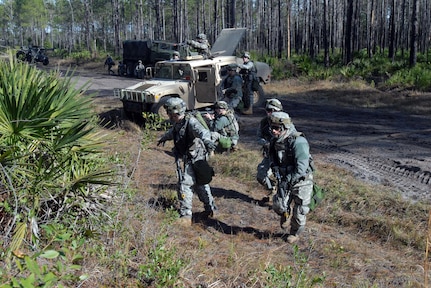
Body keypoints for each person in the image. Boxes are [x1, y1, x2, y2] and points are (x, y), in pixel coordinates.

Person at [157, 98, 218, 226]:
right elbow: (174, 131)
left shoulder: (191, 122)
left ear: (175, 112)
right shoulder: (178, 122)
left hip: (196, 158)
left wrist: (207, 141)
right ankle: (210, 208)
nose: (168, 115)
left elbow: (203, 132)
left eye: (169, 112)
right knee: (200, 185)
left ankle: (186, 216)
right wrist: (164, 138)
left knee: (185, 185)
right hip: (190, 157)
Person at [267, 111, 314, 244]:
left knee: (300, 211)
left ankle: (294, 233)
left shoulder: (299, 142)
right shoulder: (275, 141)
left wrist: (287, 180)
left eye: (276, 128)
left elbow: (301, 168)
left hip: (301, 181)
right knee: (278, 205)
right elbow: (273, 159)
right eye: (272, 128)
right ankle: (285, 214)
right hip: (284, 179)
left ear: (285, 128)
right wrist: (276, 171)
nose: (273, 131)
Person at [256, 99, 295, 193]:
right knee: (261, 175)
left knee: (286, 179)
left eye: (273, 110)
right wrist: (266, 143)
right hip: (271, 154)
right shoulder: (264, 123)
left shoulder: (286, 122)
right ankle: (272, 189)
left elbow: (294, 138)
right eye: (268, 110)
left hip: (285, 156)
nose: (270, 113)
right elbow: (259, 137)